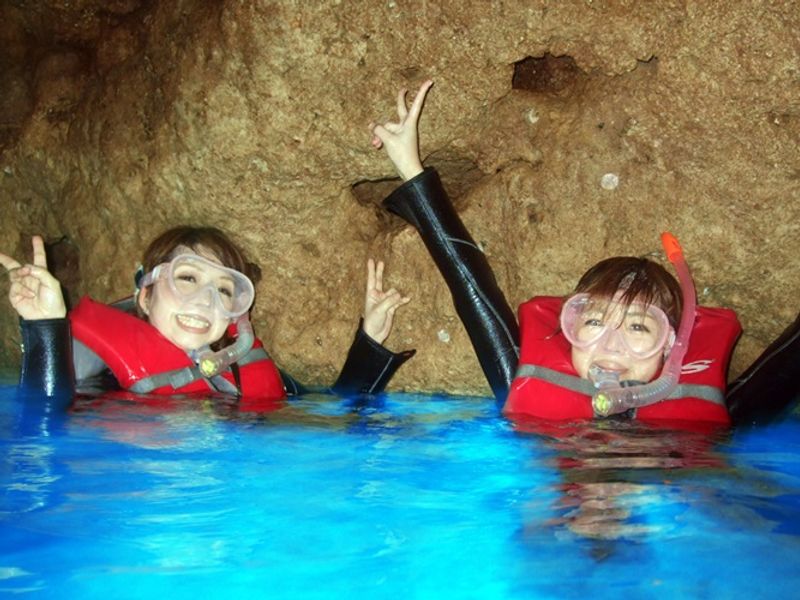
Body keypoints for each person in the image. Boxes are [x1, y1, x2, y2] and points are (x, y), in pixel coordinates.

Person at [368, 80, 800, 426]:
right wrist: (409, 164)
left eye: (637, 327)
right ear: (568, 327)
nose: (610, 345)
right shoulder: (525, 382)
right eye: (592, 320)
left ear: (672, 346)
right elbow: (472, 288)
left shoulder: (712, 423)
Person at [1, 226, 414, 402]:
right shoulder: (100, 374)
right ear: (144, 295)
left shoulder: (236, 373)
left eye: (223, 289)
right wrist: (45, 328)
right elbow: (42, 423)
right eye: (186, 278)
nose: (205, 302)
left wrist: (370, 339)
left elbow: (336, 410)